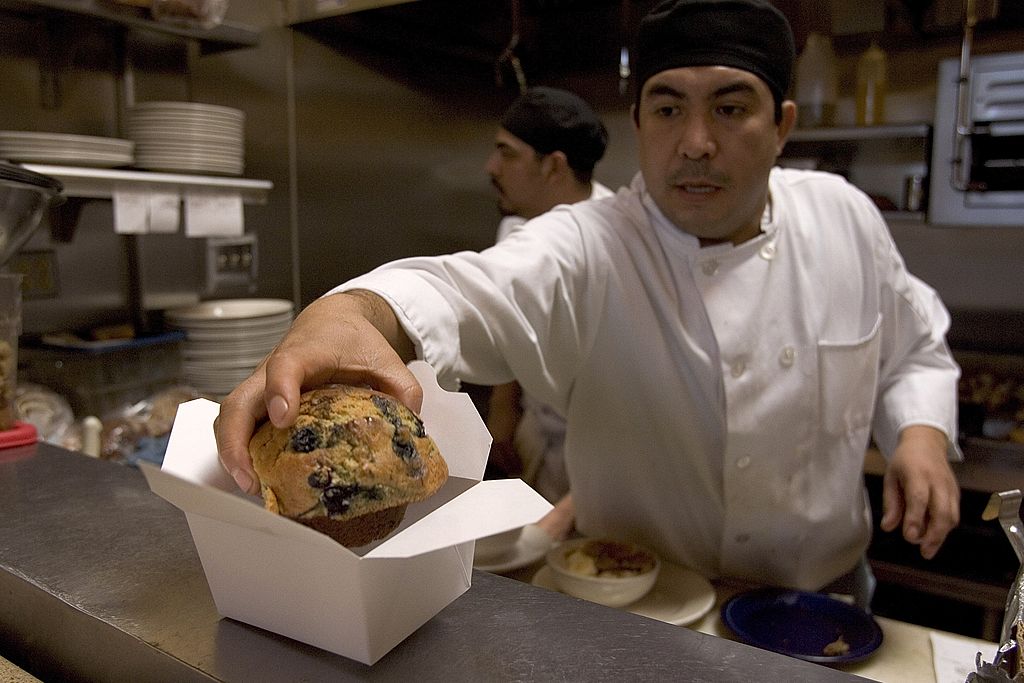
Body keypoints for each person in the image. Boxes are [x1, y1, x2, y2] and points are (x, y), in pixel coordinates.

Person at [215, 0, 961, 603]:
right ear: (637, 125)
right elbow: (463, 287)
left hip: (825, 608)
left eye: (731, 109)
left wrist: (920, 430)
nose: (696, 141)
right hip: (640, 608)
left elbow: (915, 345)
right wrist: (347, 315)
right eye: (667, 110)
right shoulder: (590, 245)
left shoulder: (845, 217)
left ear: (783, 127)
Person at [482, 86, 613, 504]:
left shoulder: (618, 244)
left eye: (507, 153)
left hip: (604, 457)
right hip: (535, 436)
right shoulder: (517, 225)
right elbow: (510, 317)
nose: (492, 167)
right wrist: (504, 402)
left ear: (553, 166)